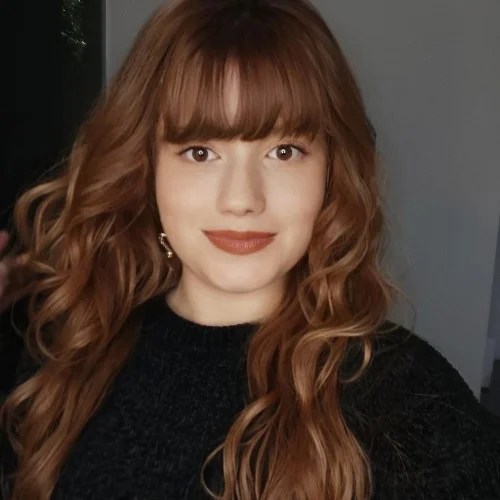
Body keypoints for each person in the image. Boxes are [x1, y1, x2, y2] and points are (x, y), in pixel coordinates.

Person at [1, 0, 499, 498]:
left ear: (330, 171)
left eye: (284, 151)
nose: (242, 199)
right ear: (145, 168)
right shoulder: (69, 351)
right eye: (200, 152)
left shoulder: (412, 403)